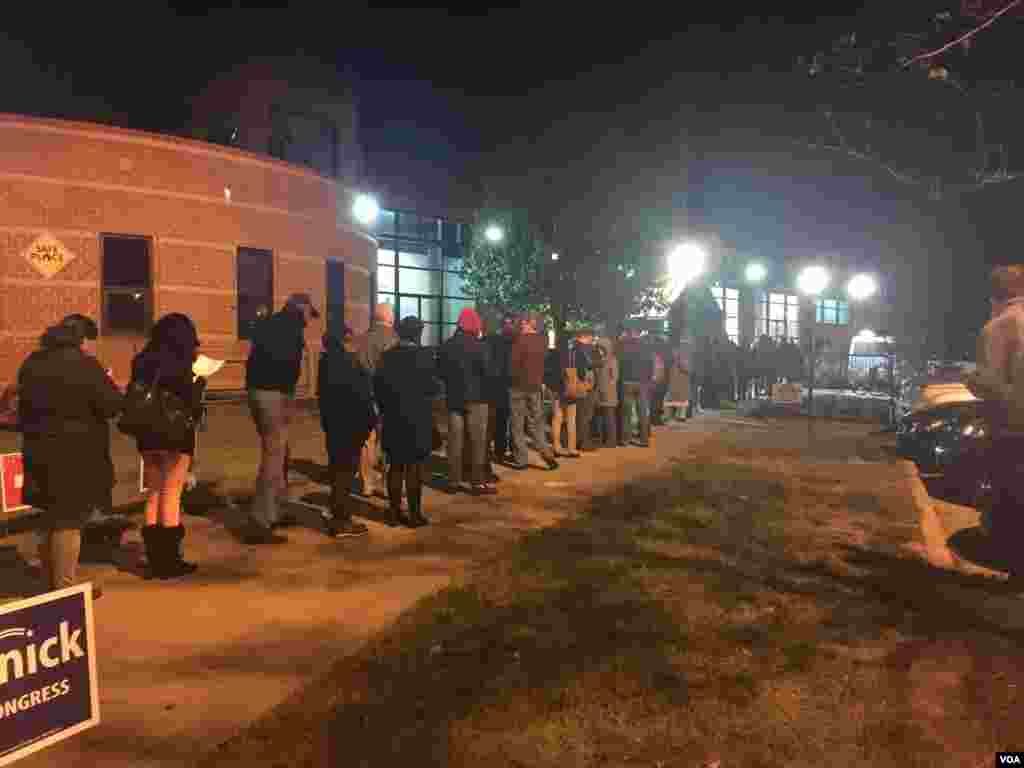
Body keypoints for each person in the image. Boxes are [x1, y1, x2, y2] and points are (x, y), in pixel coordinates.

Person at [18, 314, 123, 596]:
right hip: (75, 454)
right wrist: (109, 382)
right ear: (82, 339)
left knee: (49, 516)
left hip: (37, 449)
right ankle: (65, 588)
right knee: (68, 521)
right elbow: (112, 405)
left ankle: (50, 580)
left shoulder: (32, 363)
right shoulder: (85, 365)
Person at [130, 314, 207, 579]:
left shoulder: (141, 360)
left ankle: (154, 558)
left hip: (147, 434)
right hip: (174, 434)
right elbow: (191, 401)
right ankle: (169, 560)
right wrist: (200, 380)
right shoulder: (182, 363)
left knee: (153, 491)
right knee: (172, 491)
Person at [245, 293, 319, 544]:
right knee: (273, 456)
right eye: (310, 314)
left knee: (279, 452)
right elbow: (284, 364)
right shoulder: (289, 327)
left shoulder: (272, 323)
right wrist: (288, 391)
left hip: (264, 391)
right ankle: (260, 520)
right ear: (301, 308)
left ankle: (275, 510)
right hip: (273, 394)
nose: (310, 320)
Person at [967, 265, 1024, 587]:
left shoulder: (1001, 326)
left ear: (994, 293)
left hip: (1013, 428)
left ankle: (1017, 574)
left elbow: (993, 385)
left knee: (1011, 498)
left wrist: (971, 378)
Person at [375, 316, 440, 526]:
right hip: (417, 418)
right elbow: (433, 388)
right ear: (418, 334)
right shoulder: (425, 356)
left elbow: (378, 388)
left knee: (395, 466)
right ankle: (414, 514)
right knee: (413, 468)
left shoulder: (387, 357)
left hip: (393, 417)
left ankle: (394, 514)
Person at [317, 325, 373, 538]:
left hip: (333, 425)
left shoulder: (325, 362)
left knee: (337, 470)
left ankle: (337, 513)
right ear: (343, 340)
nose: (354, 343)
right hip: (350, 426)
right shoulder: (348, 363)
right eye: (350, 339)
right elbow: (361, 396)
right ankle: (341, 521)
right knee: (345, 474)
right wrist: (369, 422)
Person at [439, 308, 495, 495]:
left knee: (455, 442)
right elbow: (488, 373)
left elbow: (440, 372)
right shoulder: (480, 346)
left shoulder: (447, 345)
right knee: (477, 442)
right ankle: (477, 482)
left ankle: (453, 481)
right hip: (478, 400)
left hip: (454, 399)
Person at [507, 312, 559, 471]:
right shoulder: (542, 341)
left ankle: (521, 459)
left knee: (517, 423)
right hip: (535, 386)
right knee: (537, 423)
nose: (521, 324)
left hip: (517, 387)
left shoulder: (519, 340)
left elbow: (512, 365)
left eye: (523, 322)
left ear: (529, 323)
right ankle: (547, 454)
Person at [355, 303, 398, 498]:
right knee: (389, 441)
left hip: (365, 396)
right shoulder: (394, 340)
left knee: (367, 440)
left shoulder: (362, 340)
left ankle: (367, 483)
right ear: (390, 318)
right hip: (388, 397)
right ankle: (389, 484)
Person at [486, 313, 516, 465]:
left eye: (510, 323)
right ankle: (503, 449)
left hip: (503, 384)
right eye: (507, 323)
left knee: (504, 420)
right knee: (504, 420)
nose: (509, 326)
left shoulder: (493, 339)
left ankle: (502, 449)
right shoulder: (513, 340)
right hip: (503, 385)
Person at [620, 328, 654, 447]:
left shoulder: (624, 346)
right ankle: (644, 440)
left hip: (627, 382)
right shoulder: (646, 346)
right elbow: (651, 364)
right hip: (643, 382)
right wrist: (649, 379)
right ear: (639, 334)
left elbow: (621, 364)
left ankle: (625, 440)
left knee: (626, 413)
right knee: (643, 412)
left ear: (629, 333)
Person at [547, 338, 580, 458]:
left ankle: (556, 447)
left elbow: (547, 374)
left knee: (557, 418)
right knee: (571, 419)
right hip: (570, 389)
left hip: (556, 390)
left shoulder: (551, 355)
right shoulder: (573, 355)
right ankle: (572, 448)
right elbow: (580, 372)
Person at [573, 328, 599, 452]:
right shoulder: (584, 350)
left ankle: (579, 440)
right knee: (585, 415)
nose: (592, 339)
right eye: (591, 337)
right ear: (585, 336)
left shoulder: (574, 349)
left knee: (581, 414)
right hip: (586, 385)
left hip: (579, 384)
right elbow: (588, 366)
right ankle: (583, 442)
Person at [594, 335, 620, 447]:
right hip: (598, 392)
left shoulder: (612, 360)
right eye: (598, 347)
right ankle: (600, 438)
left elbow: (614, 378)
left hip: (608, 393)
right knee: (599, 417)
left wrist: (606, 388)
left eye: (601, 347)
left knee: (609, 417)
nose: (599, 350)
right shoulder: (598, 359)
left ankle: (611, 440)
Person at [664, 344, 691, 421]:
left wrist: (679, 362)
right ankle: (670, 415)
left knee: (681, 400)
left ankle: (681, 416)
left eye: (675, 351)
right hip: (673, 384)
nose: (674, 353)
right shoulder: (671, 361)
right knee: (670, 400)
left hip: (681, 383)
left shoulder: (683, 358)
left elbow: (687, 369)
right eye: (673, 351)